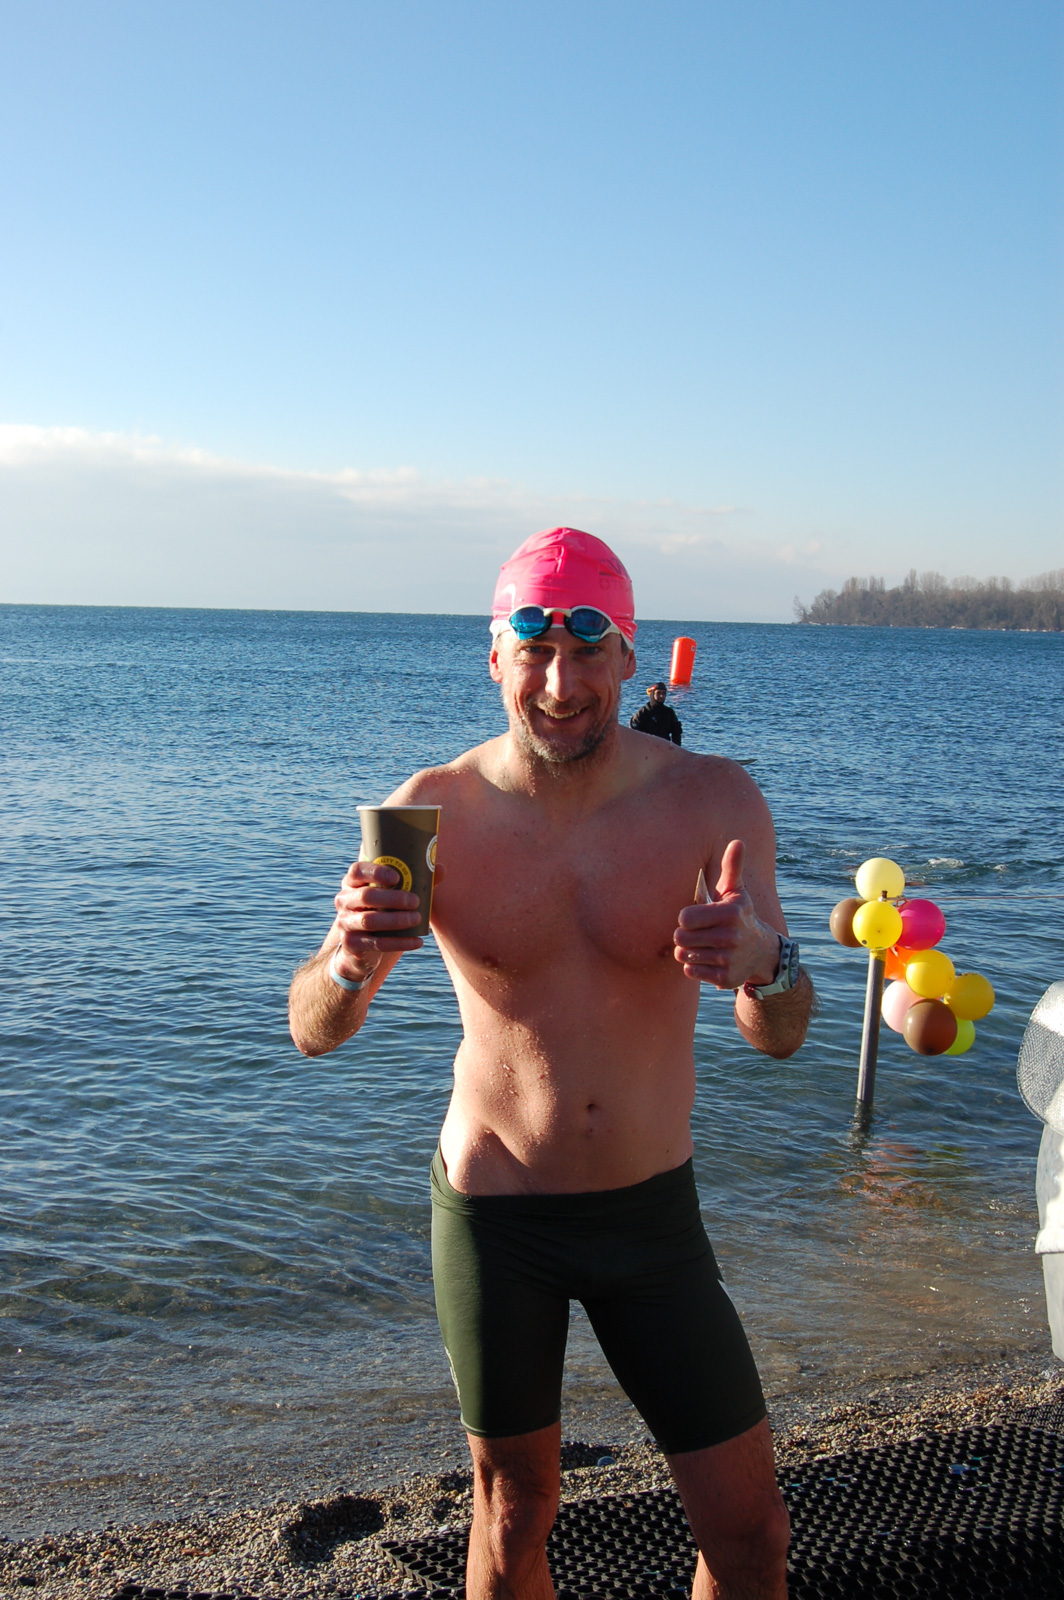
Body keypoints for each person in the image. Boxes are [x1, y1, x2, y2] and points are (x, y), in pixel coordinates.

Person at [289, 526, 813, 1600]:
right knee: (513, 1512)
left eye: (587, 651)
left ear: (628, 657)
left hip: (649, 1218)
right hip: (497, 1218)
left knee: (750, 1533)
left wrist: (766, 966)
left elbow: (784, 1033)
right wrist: (347, 959)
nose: (561, 683)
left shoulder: (712, 802)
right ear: (495, 657)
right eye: (534, 652)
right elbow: (314, 1030)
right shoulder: (429, 811)